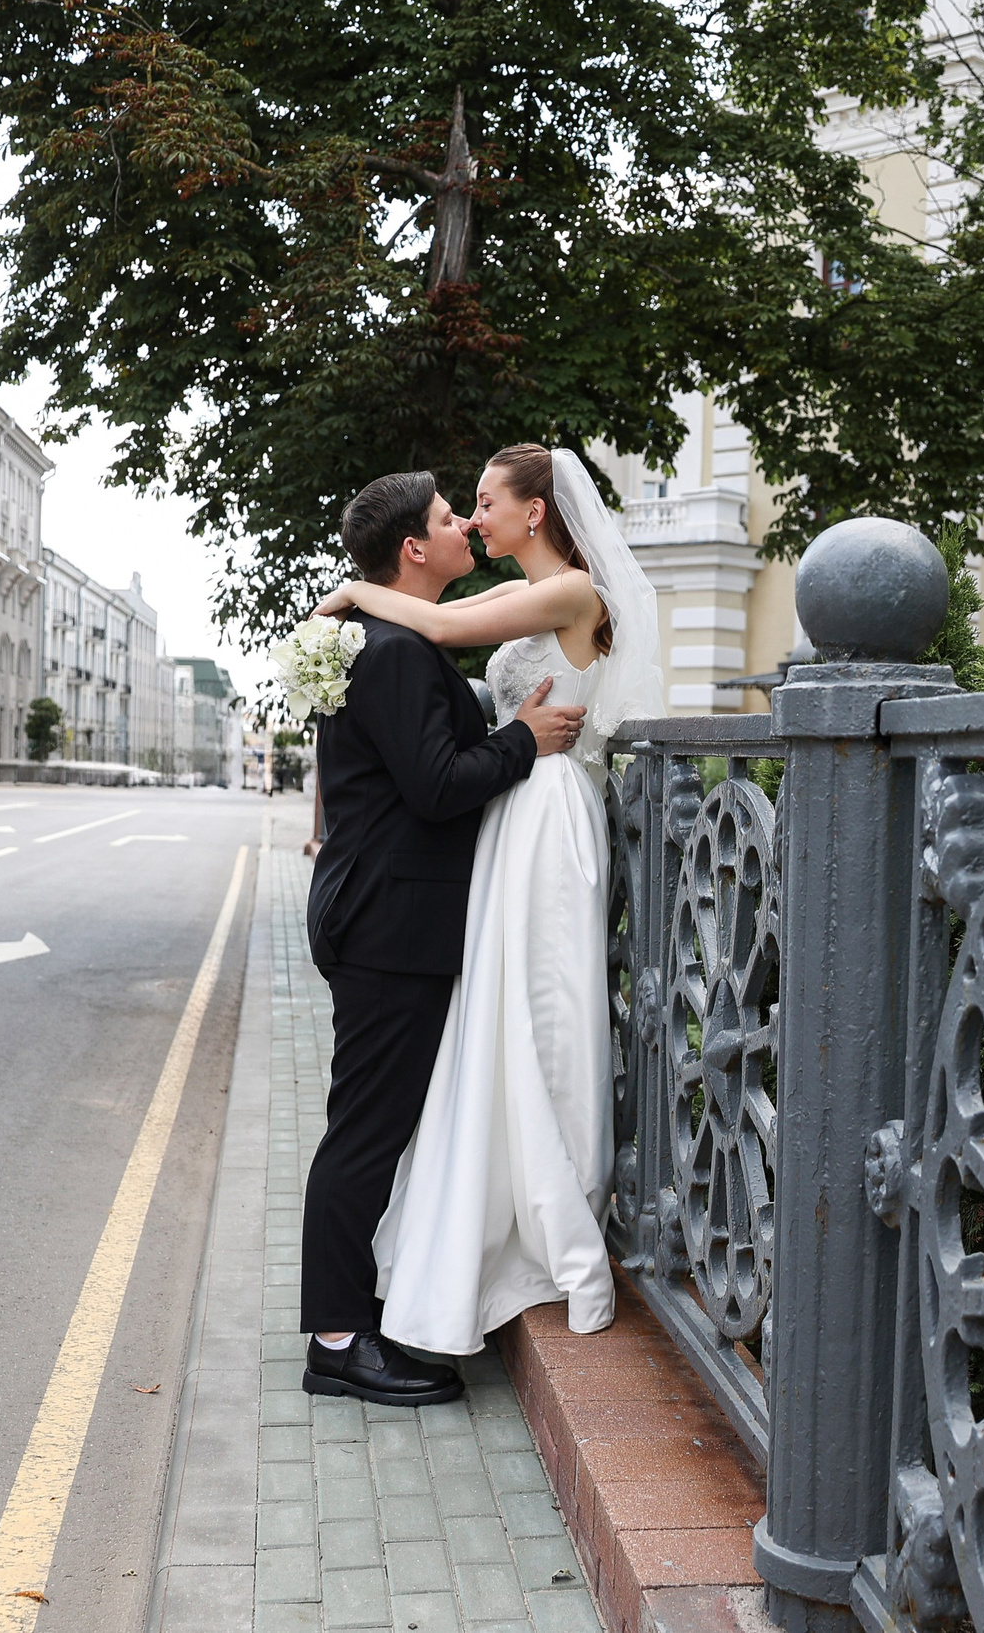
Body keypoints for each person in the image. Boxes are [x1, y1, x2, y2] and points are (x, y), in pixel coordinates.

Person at [311, 445, 664, 1356]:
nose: (469, 518)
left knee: (541, 1013)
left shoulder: (569, 595)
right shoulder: (489, 619)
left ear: (534, 513)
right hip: (508, 816)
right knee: (495, 1026)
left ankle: (534, 1210)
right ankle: (350, 1329)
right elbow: (443, 686)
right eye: (454, 511)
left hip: (546, 819)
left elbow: (439, 630)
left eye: (482, 501)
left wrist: (350, 601)